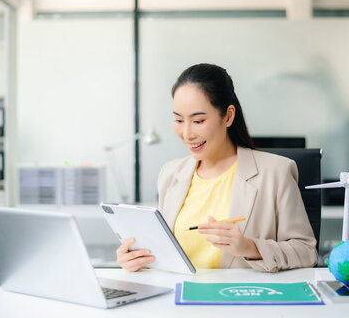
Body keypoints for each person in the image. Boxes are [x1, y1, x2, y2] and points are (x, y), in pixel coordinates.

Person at [116, 63, 317, 272]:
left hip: (240, 300)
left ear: (228, 116)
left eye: (198, 120)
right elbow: (166, 257)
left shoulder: (276, 172)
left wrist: (250, 247)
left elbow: (306, 251)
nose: (187, 133)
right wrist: (136, 259)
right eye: (178, 120)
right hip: (179, 299)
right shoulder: (170, 173)